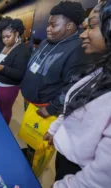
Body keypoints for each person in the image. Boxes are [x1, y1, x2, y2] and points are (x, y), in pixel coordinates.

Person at [44, 1, 111, 187]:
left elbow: (102, 176)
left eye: (92, 26)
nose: (83, 34)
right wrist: (56, 129)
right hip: (67, 158)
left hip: (81, 172)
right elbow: (74, 104)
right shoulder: (100, 71)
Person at [20, 1, 86, 164]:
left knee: (40, 145)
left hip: (45, 108)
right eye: (48, 24)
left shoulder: (77, 50)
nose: (48, 28)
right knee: (30, 137)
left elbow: (73, 86)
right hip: (30, 102)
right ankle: (29, 153)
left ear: (70, 25)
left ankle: (33, 168)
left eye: (53, 25)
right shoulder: (46, 41)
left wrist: (52, 108)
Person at [0, 17, 31, 124]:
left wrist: (3, 69)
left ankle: (3, 131)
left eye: (8, 36)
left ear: (17, 34)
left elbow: (19, 74)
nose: (5, 40)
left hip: (8, 87)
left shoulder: (22, 50)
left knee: (5, 110)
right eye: (3, 37)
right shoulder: (5, 46)